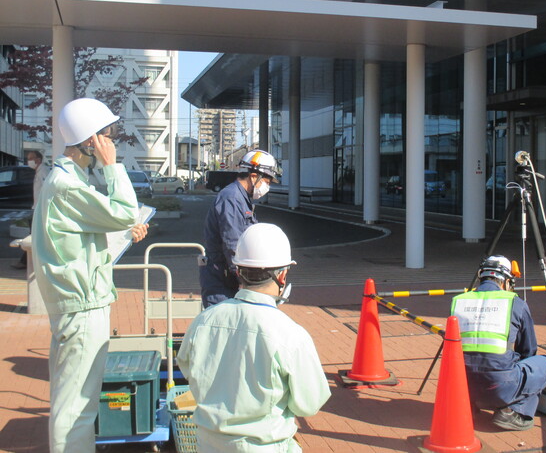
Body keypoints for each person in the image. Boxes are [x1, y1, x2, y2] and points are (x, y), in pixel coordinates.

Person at [32, 97, 149, 453]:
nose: (111, 142)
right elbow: (126, 210)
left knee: (75, 403)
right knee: (76, 409)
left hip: (82, 304)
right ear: (89, 140)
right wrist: (114, 168)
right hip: (82, 310)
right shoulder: (66, 186)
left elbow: (81, 244)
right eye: (107, 135)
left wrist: (122, 232)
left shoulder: (68, 182)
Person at [178, 223, 331, 452]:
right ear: (283, 274)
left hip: (208, 444)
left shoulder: (203, 321)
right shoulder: (290, 335)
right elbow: (309, 404)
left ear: (238, 271)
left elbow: (187, 368)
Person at [451, 255, 546, 431]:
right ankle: (512, 411)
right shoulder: (514, 302)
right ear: (506, 281)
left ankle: (470, 406)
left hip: (462, 385)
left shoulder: (459, 301)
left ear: (480, 276)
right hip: (499, 386)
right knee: (545, 363)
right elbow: (529, 350)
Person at [200, 149, 279, 308]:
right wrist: (246, 281)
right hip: (222, 282)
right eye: (267, 182)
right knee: (225, 327)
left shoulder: (241, 198)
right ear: (254, 176)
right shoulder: (232, 198)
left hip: (228, 279)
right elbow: (233, 243)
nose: (267, 187)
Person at [12, 150, 51, 269]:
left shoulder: (43, 171)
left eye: (30, 159)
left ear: (38, 160)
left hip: (40, 209)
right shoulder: (39, 171)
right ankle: (26, 261)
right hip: (37, 208)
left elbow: (47, 188)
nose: (28, 161)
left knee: (34, 235)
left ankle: (25, 262)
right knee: (35, 235)